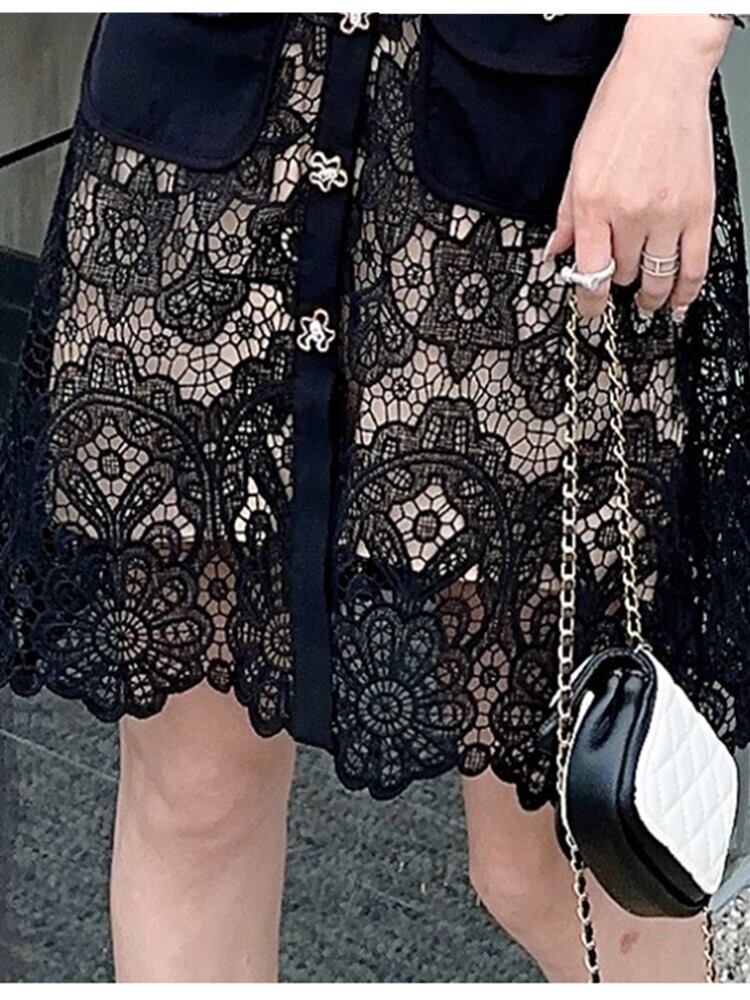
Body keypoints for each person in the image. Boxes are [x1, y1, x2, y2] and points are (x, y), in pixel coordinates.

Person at [0, 12, 748, 983]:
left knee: (560, 846)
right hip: (201, 122)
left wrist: (673, 51)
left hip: (528, 138)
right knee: (195, 791)